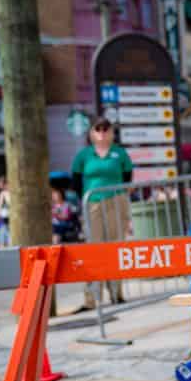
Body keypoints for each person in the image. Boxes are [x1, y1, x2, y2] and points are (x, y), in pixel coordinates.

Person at [72, 117, 133, 307]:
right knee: (93, 248)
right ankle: (92, 298)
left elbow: (127, 176)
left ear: (112, 133)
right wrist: (85, 198)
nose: (102, 132)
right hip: (92, 203)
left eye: (106, 129)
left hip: (115, 201)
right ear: (91, 133)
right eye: (97, 129)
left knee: (115, 246)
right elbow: (75, 179)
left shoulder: (119, 153)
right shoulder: (84, 155)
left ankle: (116, 292)